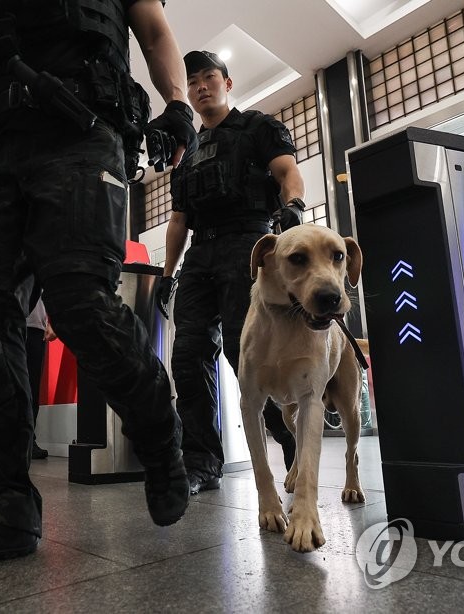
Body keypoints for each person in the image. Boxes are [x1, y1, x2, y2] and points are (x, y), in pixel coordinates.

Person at [0, 0, 199, 581]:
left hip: (84, 132)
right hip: (4, 149)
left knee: (81, 304)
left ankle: (159, 429)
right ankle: (1, 506)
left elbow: (155, 29)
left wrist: (179, 106)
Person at [156, 50, 304, 496]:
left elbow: (287, 173)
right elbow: (179, 219)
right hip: (200, 257)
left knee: (249, 354)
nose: (201, 87)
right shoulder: (188, 152)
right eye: (193, 81)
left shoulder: (257, 128)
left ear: (227, 82)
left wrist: (294, 206)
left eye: (209, 78)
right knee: (187, 356)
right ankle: (202, 460)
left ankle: (291, 440)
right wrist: (168, 273)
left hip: (250, 245)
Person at [25, 296, 54, 459]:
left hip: (37, 328)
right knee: (11, 384)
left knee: (32, 387)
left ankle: (28, 440)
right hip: (11, 323)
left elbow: (49, 289)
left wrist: (52, 321)